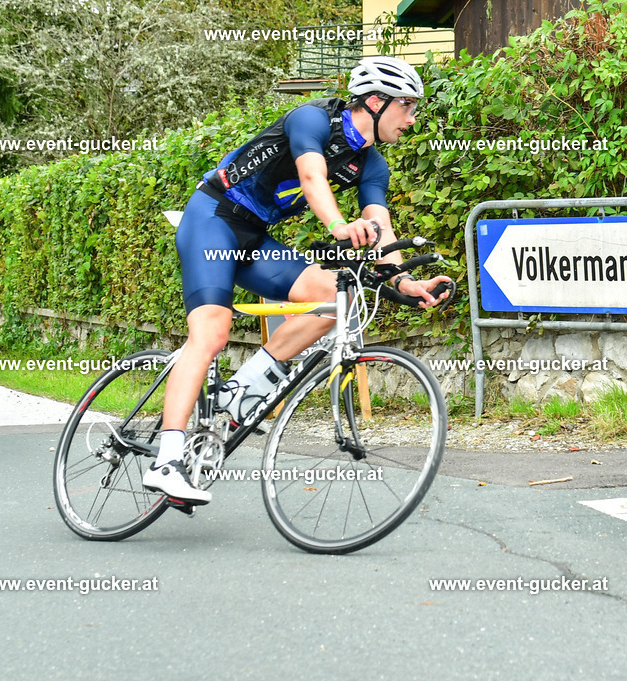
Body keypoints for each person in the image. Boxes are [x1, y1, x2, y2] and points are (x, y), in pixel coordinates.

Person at [143, 56, 451, 505]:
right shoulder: (312, 119)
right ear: (374, 101)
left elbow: (380, 225)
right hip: (213, 218)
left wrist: (404, 281)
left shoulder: (372, 166)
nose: (412, 118)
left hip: (253, 238)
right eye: (407, 106)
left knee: (331, 297)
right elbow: (311, 175)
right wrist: (338, 227)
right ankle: (166, 461)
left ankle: (238, 393)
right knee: (210, 334)